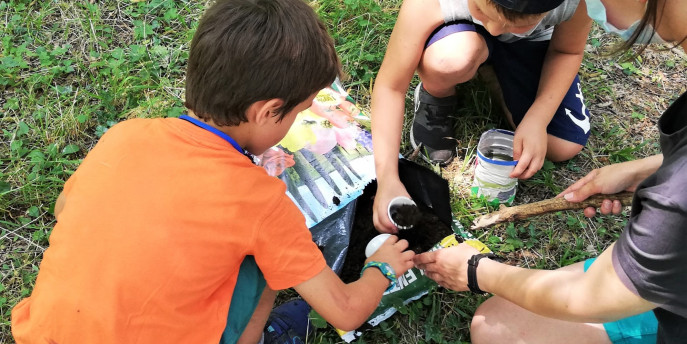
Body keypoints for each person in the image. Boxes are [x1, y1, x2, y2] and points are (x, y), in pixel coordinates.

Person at [10, 0, 416, 343]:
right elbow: (345, 312)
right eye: (301, 110)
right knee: (263, 262)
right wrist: (382, 267)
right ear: (267, 112)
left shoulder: (123, 136)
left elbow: (66, 209)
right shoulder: (261, 202)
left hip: (43, 333)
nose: (301, 117)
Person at [414, 1, 687, 343]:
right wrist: (648, 168)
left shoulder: (677, 200)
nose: (591, 6)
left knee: (496, 329)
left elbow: (591, 297)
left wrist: (475, 270)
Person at [371, 0, 595, 233]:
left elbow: (566, 50)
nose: (495, 29)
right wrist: (387, 178)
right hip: (461, 36)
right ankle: (437, 92)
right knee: (448, 61)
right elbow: (391, 87)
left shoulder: (577, 3)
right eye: (481, 11)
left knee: (561, 145)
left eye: (520, 23)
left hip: (532, 43)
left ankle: (492, 74)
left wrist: (538, 118)